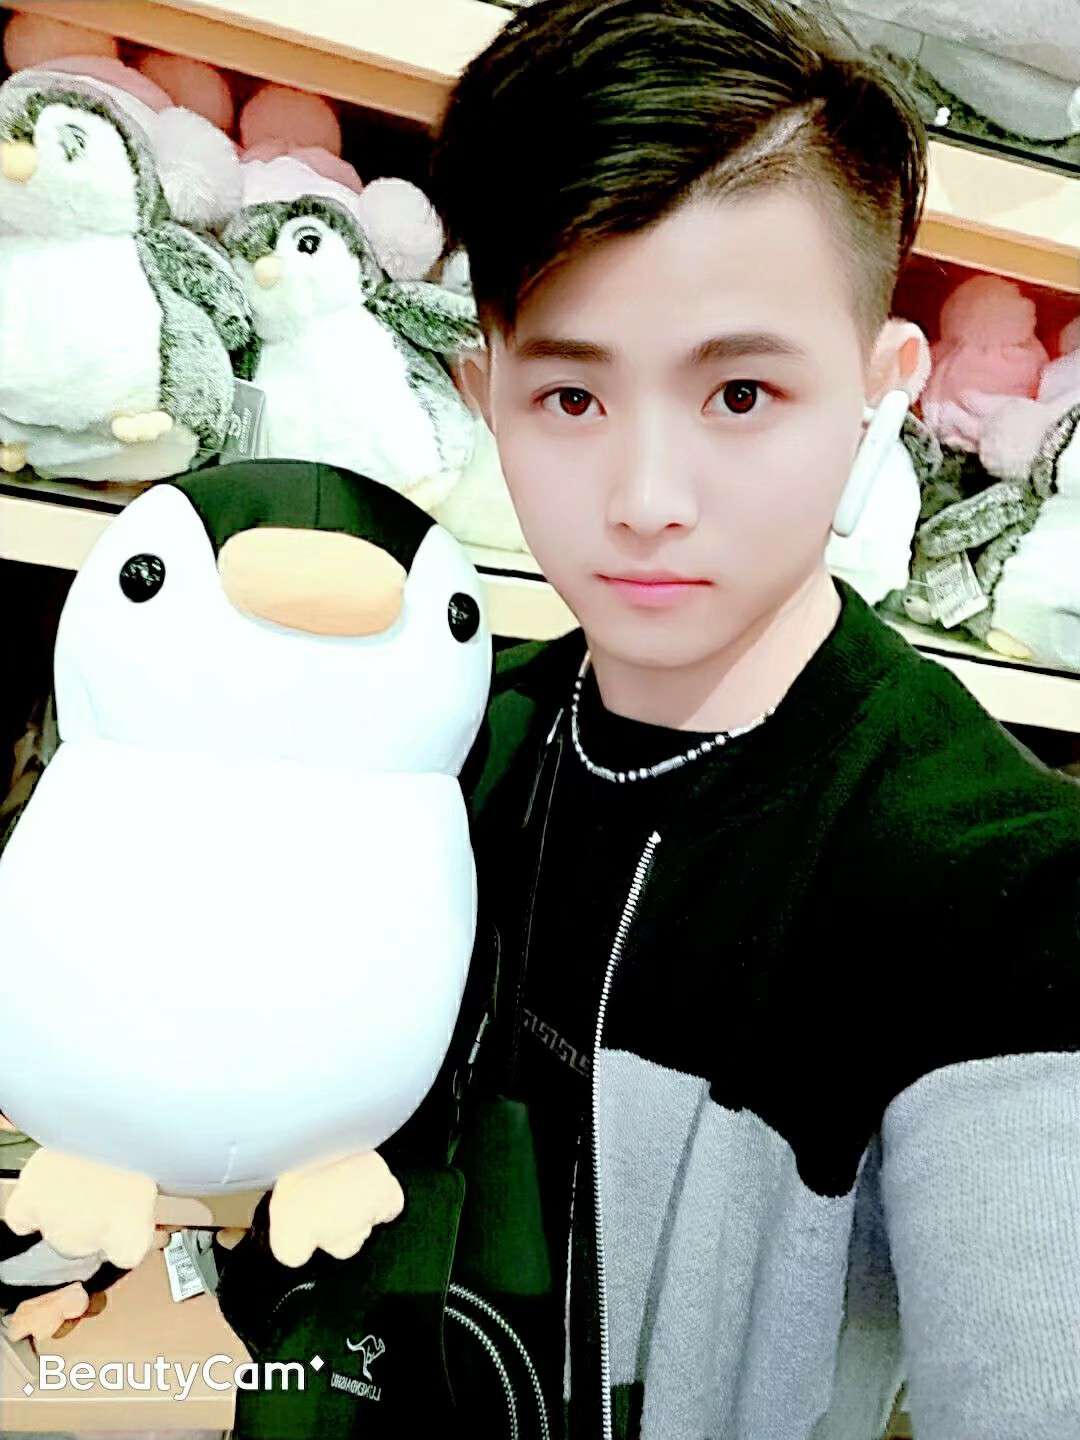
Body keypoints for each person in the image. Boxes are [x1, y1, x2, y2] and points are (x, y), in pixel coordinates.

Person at [427, 1, 1080, 1436]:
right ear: (485, 392)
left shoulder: (1004, 887)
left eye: (739, 391)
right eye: (571, 396)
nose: (647, 497)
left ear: (883, 390)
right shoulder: (446, 757)